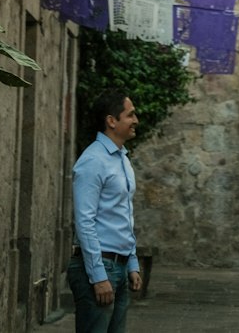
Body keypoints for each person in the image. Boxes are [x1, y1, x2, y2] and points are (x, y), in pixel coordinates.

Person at [67, 90, 143, 333]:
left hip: (118, 266)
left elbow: (123, 216)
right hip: (100, 267)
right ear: (112, 121)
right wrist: (98, 276)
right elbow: (85, 222)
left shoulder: (122, 159)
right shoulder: (93, 161)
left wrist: (131, 263)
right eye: (130, 115)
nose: (136, 120)